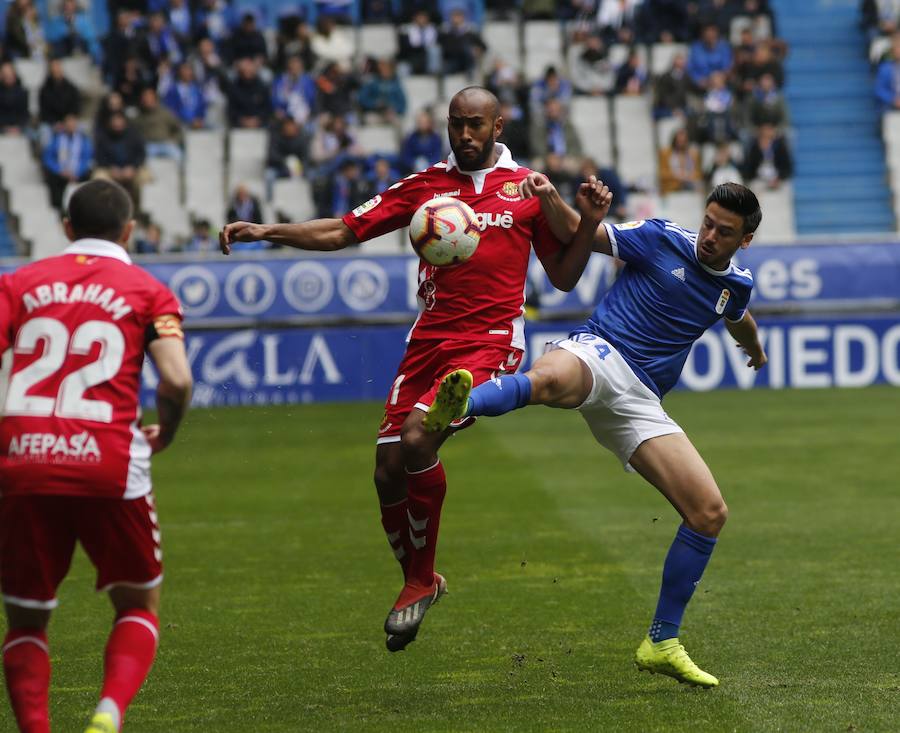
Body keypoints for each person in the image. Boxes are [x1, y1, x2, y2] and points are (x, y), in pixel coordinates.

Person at [220, 86, 595, 651]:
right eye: (455, 125)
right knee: (386, 470)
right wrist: (266, 232)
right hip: (429, 341)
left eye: (475, 125)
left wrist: (587, 221)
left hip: (492, 341)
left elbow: (564, 276)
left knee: (419, 439)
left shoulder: (527, 188)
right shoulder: (424, 187)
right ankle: (420, 581)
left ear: (498, 126)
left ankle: (419, 580)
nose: (465, 135)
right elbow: (345, 230)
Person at [425, 180, 767, 688]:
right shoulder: (660, 238)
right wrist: (551, 198)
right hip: (600, 351)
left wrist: (755, 351)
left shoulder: (736, 282)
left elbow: (737, 316)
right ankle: (456, 405)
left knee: (709, 512)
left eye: (724, 231)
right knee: (548, 380)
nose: (709, 236)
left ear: (745, 240)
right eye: (709, 223)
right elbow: (578, 233)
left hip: (641, 400)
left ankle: (661, 641)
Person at [0, 179, 192, 732]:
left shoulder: (17, 284)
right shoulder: (146, 290)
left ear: (65, 228)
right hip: (109, 464)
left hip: (25, 461)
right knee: (137, 605)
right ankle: (107, 713)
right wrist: (169, 433)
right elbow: (176, 381)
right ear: (129, 230)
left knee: (27, 621)